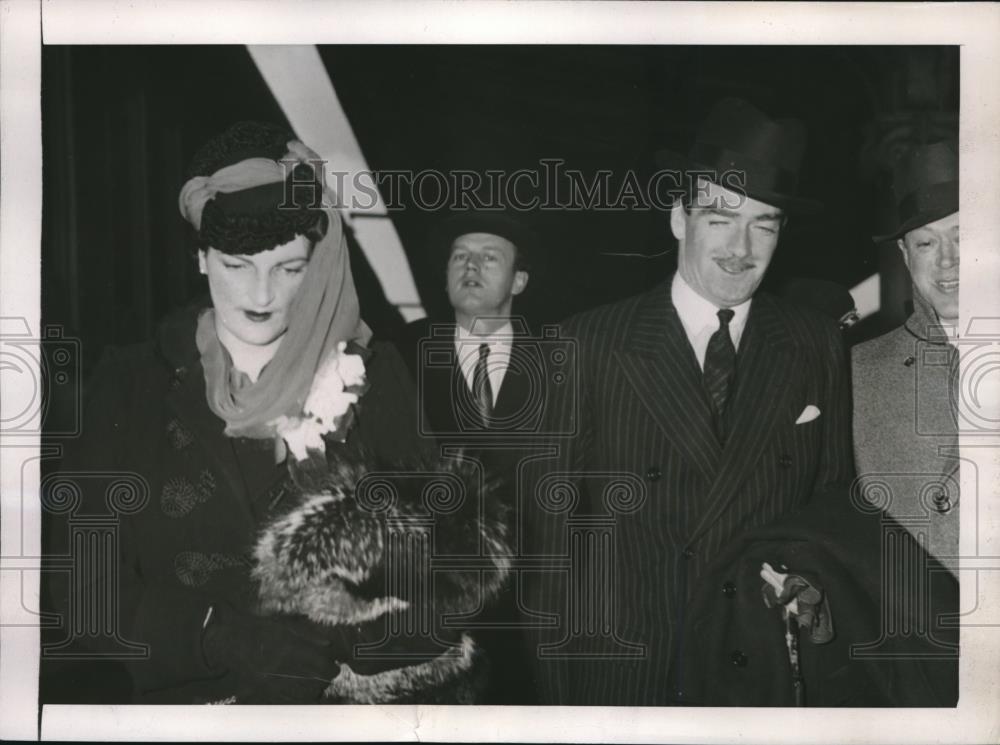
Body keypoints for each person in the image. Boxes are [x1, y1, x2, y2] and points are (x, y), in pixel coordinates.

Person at [43, 122, 510, 705]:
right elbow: (85, 590)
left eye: (289, 269)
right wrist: (216, 637)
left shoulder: (375, 373)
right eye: (237, 266)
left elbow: (448, 566)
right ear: (201, 258)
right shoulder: (129, 384)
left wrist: (348, 635)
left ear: (315, 267)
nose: (261, 296)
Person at [522, 98, 853, 705]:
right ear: (680, 218)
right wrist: (560, 704)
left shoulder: (816, 342)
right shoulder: (588, 341)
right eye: (721, 219)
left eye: (764, 224)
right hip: (625, 673)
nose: (741, 248)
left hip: (755, 671)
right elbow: (550, 549)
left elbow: (832, 508)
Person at [394, 211, 543, 703]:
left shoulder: (561, 359)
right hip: (431, 610)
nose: (471, 266)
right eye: (460, 256)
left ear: (519, 279)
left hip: (534, 614)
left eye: (489, 257)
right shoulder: (400, 355)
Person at [852, 140, 960, 575]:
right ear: (904, 255)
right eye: (926, 244)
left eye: (962, 236)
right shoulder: (860, 372)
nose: (948, 261)